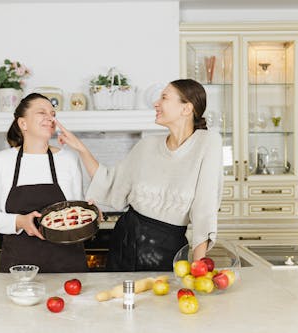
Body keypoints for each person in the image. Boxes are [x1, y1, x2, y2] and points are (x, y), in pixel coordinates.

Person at [57, 79, 223, 271]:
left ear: (186, 108)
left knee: (162, 300)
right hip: (125, 239)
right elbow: (109, 180)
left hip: (167, 247)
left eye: (164, 97)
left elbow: (205, 208)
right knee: (118, 297)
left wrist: (198, 267)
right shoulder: (147, 145)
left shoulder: (208, 142)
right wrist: (80, 148)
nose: (156, 103)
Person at [0, 93, 88, 273]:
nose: (50, 117)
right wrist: (20, 221)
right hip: (19, 267)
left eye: (53, 113)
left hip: (67, 265)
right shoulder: (2, 160)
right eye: (41, 112)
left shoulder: (68, 159)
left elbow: (76, 211)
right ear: (23, 123)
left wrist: (88, 212)